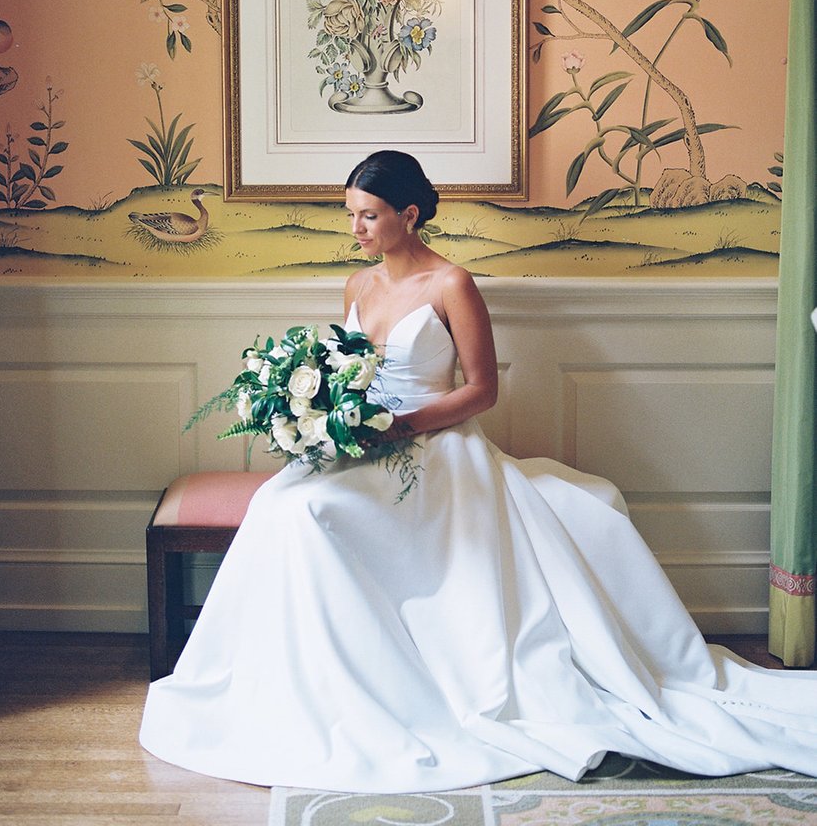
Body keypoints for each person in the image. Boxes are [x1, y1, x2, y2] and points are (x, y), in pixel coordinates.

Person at [140, 150, 817, 792]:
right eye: (349, 213)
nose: (355, 228)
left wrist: (402, 425)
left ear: (409, 214)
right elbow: (345, 374)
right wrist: (322, 415)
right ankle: (296, 686)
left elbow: (481, 390)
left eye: (368, 215)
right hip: (362, 445)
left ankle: (381, 689)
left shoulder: (451, 283)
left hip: (434, 450)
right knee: (279, 508)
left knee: (314, 516)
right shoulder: (355, 282)